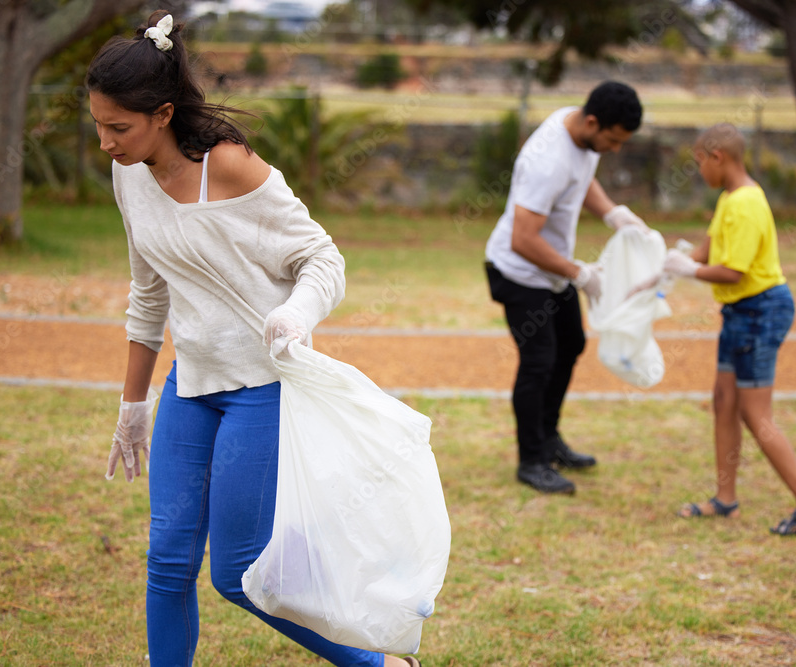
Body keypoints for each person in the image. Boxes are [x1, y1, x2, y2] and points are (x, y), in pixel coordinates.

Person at [89, 11, 422, 666]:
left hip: (261, 386)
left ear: (162, 113)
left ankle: (377, 662)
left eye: (118, 127)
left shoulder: (231, 167)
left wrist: (297, 314)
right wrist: (133, 405)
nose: (105, 142)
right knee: (167, 560)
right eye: (97, 125)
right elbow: (148, 290)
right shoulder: (127, 173)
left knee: (237, 570)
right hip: (192, 382)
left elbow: (323, 259)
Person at [662, 122, 796, 536]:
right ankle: (725, 500)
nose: (699, 171)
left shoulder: (747, 204)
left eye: (700, 162)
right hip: (738, 314)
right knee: (724, 401)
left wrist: (691, 270)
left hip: (760, 310)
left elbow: (733, 272)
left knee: (755, 414)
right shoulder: (728, 200)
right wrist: (668, 262)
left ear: (718, 158)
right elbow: (707, 249)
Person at [484, 80, 648, 495]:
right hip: (519, 272)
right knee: (539, 361)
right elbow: (523, 239)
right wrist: (580, 274)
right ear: (593, 121)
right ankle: (532, 460)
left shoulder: (575, 126)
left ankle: (549, 438)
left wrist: (613, 214)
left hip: (552, 270)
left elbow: (582, 178)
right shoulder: (548, 159)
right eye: (612, 140)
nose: (614, 149)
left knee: (571, 344)